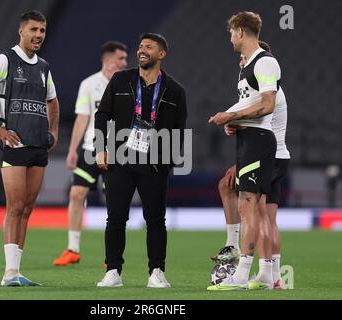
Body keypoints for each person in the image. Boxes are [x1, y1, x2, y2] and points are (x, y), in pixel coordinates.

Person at [0, 10, 59, 286]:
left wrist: (53, 132)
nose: (38, 35)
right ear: (21, 32)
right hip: (14, 143)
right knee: (15, 205)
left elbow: (52, 101)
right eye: (33, 29)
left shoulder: (43, 67)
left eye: (42, 30)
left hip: (38, 144)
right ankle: (8, 272)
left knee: (28, 207)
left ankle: (16, 271)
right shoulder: (5, 60)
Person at [94, 33, 187, 288]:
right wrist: (100, 148)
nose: (141, 50)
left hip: (154, 165)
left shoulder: (175, 91)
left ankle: (157, 272)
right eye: (140, 46)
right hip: (120, 161)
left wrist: (168, 163)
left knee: (156, 220)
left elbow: (180, 131)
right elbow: (102, 115)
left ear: (161, 54)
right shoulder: (121, 80)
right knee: (115, 218)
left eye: (149, 47)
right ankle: (113, 271)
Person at [208, 11, 282, 290]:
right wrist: (235, 120)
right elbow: (252, 105)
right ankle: (263, 274)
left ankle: (242, 273)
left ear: (240, 31)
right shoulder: (247, 65)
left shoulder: (265, 62)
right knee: (247, 204)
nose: (230, 39)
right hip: (249, 139)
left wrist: (229, 117)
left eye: (230, 33)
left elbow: (267, 105)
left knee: (249, 205)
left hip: (259, 140)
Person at [53, 41, 128, 266]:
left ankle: (112, 256)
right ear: (108, 61)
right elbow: (82, 118)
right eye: (121, 58)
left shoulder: (129, 84)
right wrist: (72, 150)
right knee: (77, 194)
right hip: (89, 149)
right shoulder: (89, 84)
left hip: (117, 151)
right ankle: (72, 249)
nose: (125, 62)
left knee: (114, 202)